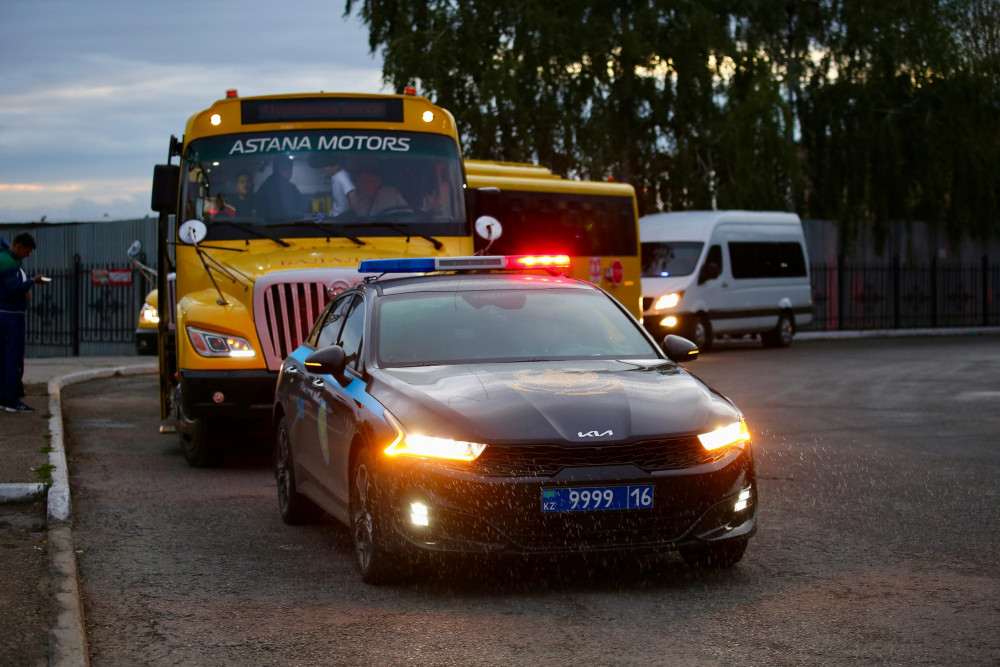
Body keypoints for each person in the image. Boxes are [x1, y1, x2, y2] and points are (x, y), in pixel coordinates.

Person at [0, 233, 44, 413]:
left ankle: (4, 398)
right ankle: (12, 400)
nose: (27, 255)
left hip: (5, 315)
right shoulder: (8, 263)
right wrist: (33, 281)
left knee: (4, 357)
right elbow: (14, 290)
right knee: (12, 358)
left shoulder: (4, 259)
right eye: (27, 251)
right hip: (11, 316)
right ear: (19, 246)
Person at [255, 155, 306, 221]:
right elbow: (303, 205)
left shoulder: (265, 186)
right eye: (287, 168)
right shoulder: (289, 188)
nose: (290, 171)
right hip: (285, 227)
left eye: (290, 168)